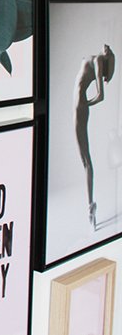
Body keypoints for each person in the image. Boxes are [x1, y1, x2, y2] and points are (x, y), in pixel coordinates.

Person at [74, 44, 116, 230]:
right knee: (84, 159)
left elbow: (100, 96)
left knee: (86, 161)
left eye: (110, 53)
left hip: (79, 108)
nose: (107, 47)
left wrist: (84, 104)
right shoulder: (96, 59)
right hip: (76, 107)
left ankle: (90, 206)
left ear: (106, 59)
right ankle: (91, 205)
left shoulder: (98, 60)